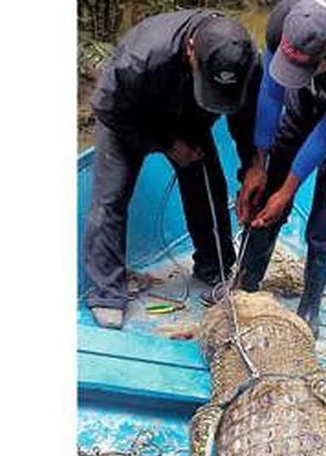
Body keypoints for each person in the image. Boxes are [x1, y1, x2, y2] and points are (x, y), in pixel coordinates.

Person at [83, 10, 262, 329]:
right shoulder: (139, 60)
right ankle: (107, 293)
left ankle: (214, 267)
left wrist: (252, 166)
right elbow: (109, 111)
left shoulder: (245, 61)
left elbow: (245, 121)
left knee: (209, 187)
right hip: (132, 116)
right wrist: (167, 144)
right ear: (191, 49)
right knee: (109, 200)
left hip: (192, 114)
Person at [230, 0, 326, 337]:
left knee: (325, 214)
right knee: (267, 190)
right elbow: (271, 94)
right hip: (303, 103)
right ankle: (245, 284)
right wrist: (258, 165)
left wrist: (289, 191)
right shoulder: (283, 19)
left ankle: (310, 306)